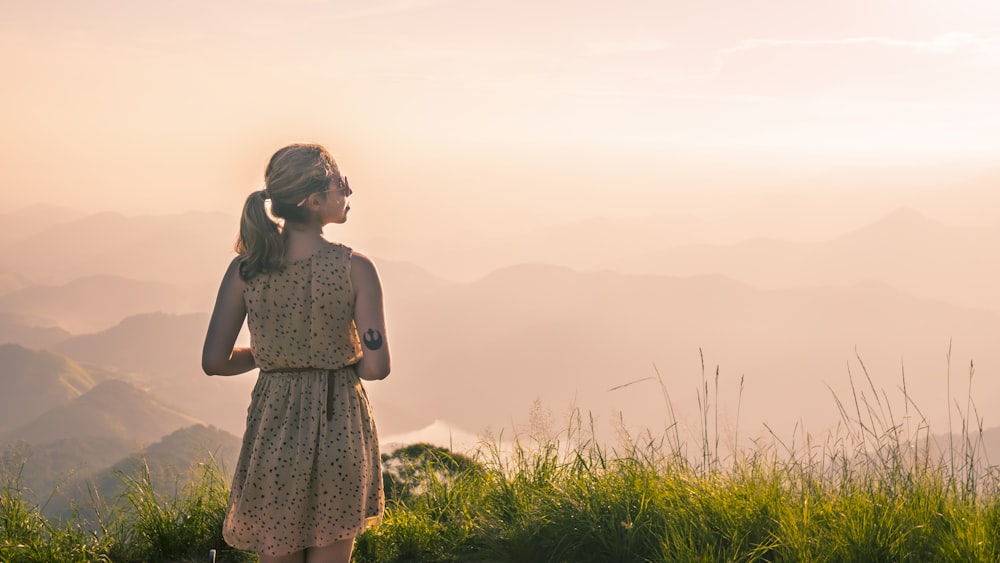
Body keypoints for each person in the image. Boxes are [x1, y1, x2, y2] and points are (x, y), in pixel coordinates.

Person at [202, 143, 390, 563]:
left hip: (276, 425)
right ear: (314, 200)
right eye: (341, 182)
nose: (349, 190)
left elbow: (214, 362)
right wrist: (333, 356)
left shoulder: (246, 269)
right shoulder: (355, 268)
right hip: (339, 418)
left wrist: (272, 354)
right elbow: (377, 367)